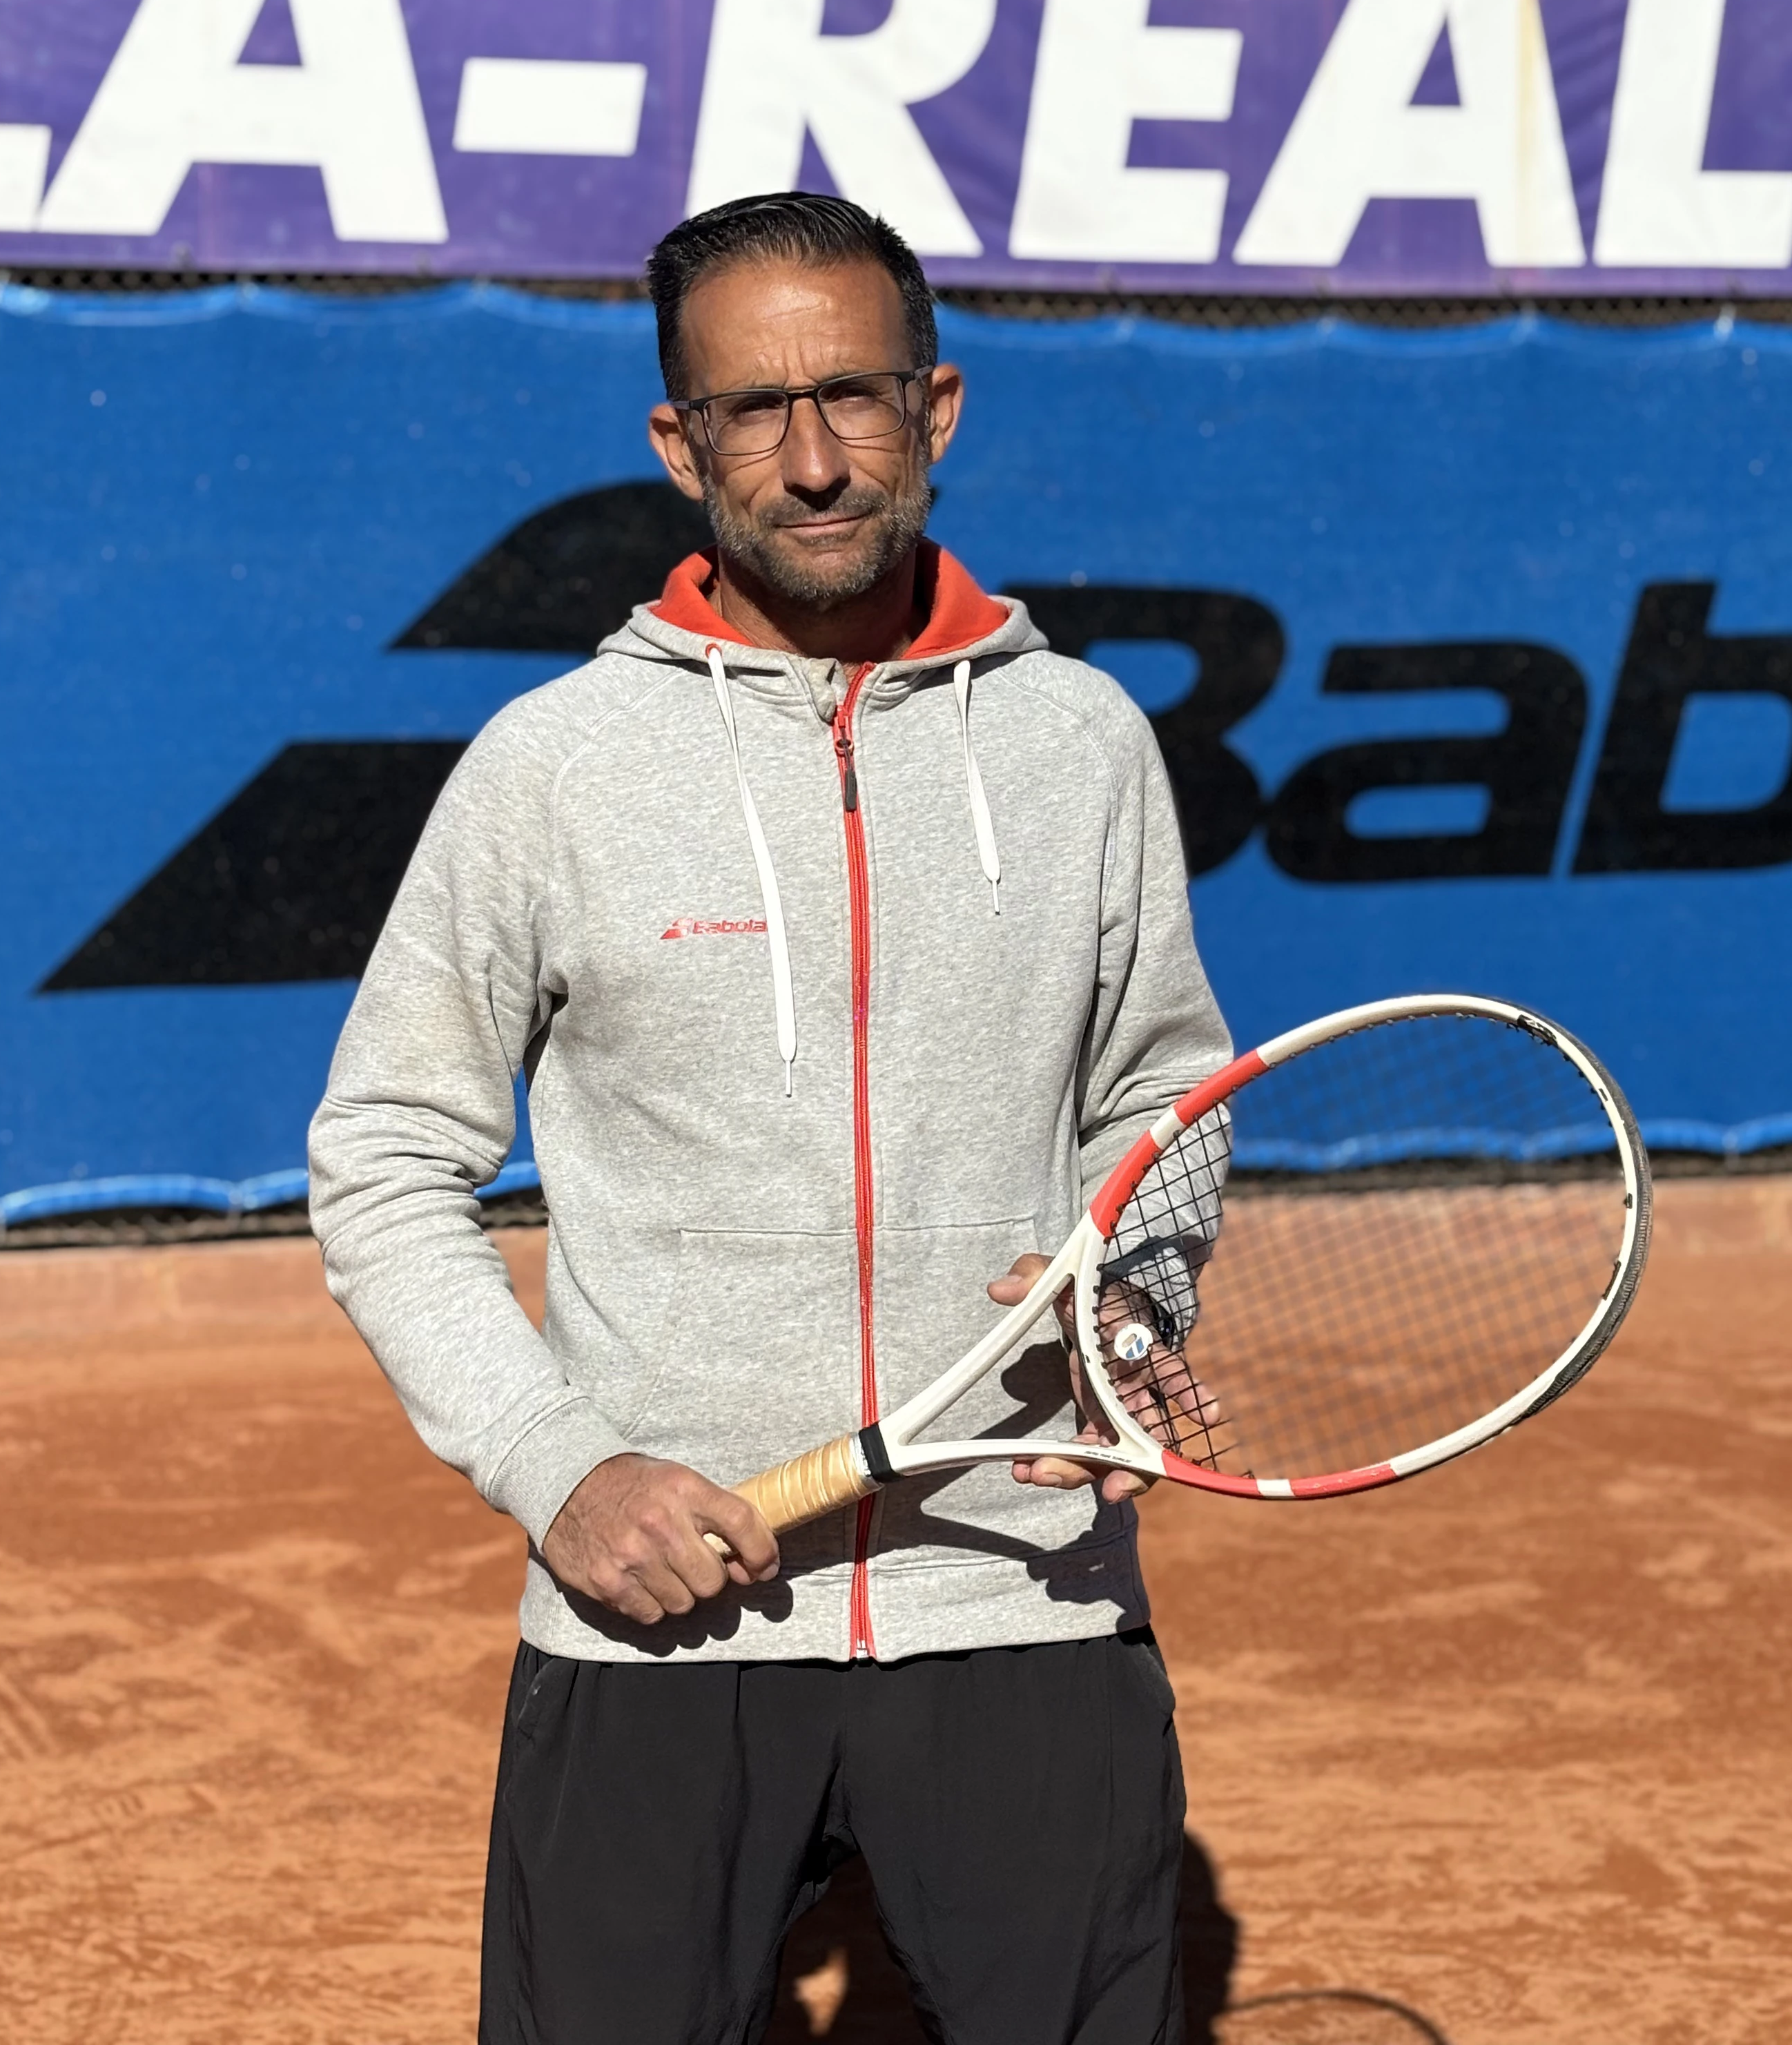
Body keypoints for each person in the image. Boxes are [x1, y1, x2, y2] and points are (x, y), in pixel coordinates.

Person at [308, 191, 1233, 2044]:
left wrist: (1128, 1297)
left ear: (937, 408)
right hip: (665, 1614)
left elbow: (1164, 1091)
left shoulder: (1080, 744)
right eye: (752, 411)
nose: (813, 462)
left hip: (1019, 1594)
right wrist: (558, 1468)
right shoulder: (553, 767)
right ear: (680, 443)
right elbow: (383, 1159)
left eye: (854, 398)